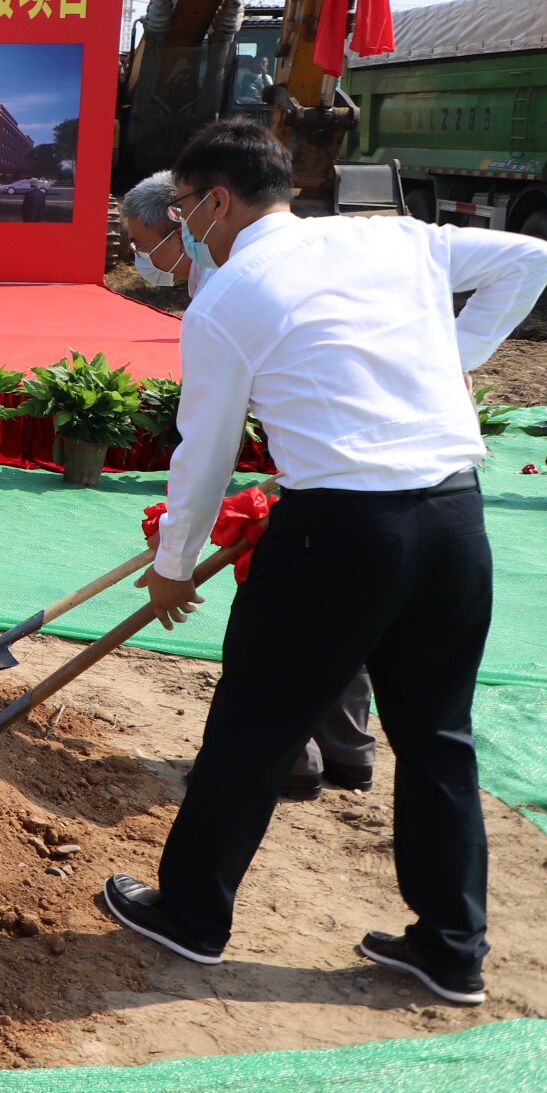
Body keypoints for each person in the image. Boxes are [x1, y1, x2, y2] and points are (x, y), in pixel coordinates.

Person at [99, 121, 547, 1006]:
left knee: (256, 725)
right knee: (437, 736)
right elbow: (534, 258)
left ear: (216, 200)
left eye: (183, 209)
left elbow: (206, 452)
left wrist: (173, 561)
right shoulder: (391, 237)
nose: (181, 229)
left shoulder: (229, 299)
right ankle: (452, 947)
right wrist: (453, 361)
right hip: (454, 518)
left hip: (339, 534)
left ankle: (191, 914)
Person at [120, 169, 373, 802]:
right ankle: (346, 754)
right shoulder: (279, 263)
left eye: (143, 244)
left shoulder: (236, 282)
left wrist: (178, 550)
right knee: (343, 610)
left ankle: (292, 760)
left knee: (278, 622)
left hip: (330, 478)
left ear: (188, 218)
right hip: (378, 471)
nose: (141, 260)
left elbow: (210, 440)